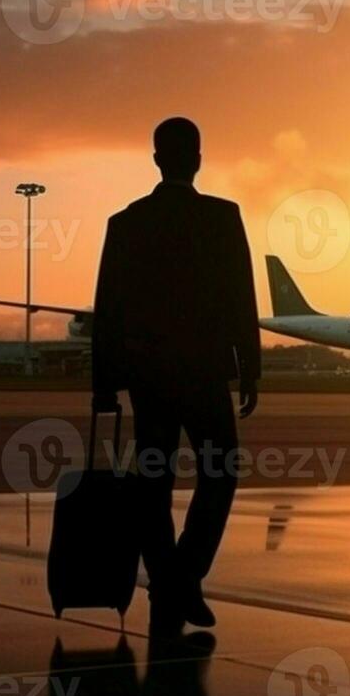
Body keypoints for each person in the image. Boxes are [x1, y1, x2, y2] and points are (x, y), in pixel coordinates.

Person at [92, 117, 260, 633]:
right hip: (206, 373)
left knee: (153, 482)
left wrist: (105, 381)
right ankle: (184, 576)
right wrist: (249, 368)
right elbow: (241, 298)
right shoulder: (223, 217)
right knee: (220, 474)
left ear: (157, 159)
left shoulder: (127, 223)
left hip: (149, 378)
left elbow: (109, 307)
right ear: (199, 159)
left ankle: (168, 580)